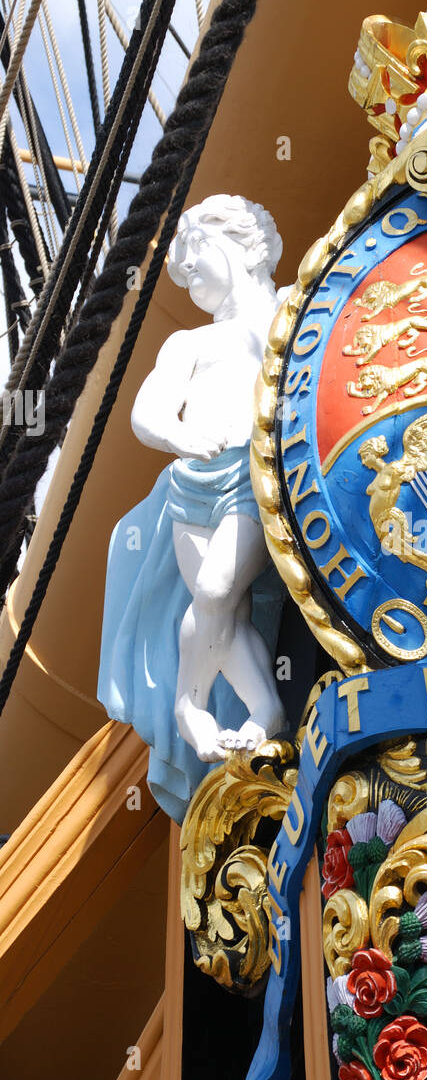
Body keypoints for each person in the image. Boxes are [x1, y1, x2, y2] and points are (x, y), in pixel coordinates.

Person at [98, 195, 287, 822]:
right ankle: (261, 709)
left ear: (238, 244)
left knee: (214, 588)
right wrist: (180, 437)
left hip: (251, 479)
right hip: (190, 484)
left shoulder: (293, 314)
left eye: (194, 259)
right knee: (215, 607)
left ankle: (189, 703)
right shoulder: (189, 341)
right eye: (179, 269)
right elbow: (147, 414)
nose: (186, 275)